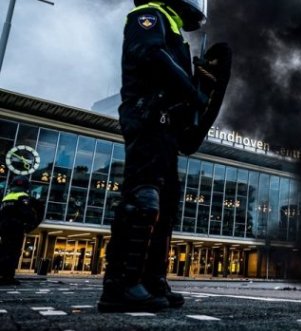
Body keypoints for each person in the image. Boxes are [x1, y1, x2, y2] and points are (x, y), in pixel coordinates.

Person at [98, 0, 230, 313]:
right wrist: (191, 88)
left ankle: (152, 280)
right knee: (142, 199)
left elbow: (171, 72)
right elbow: (150, 55)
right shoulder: (148, 15)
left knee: (166, 205)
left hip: (166, 126)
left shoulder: (172, 27)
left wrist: (201, 83)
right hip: (147, 117)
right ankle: (121, 285)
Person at [0, 176, 41, 286]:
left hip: (4, 227)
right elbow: (27, 213)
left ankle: (2, 274)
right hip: (15, 227)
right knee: (13, 252)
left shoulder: (7, 197)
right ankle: (8, 276)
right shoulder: (23, 197)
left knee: (4, 250)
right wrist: (30, 224)